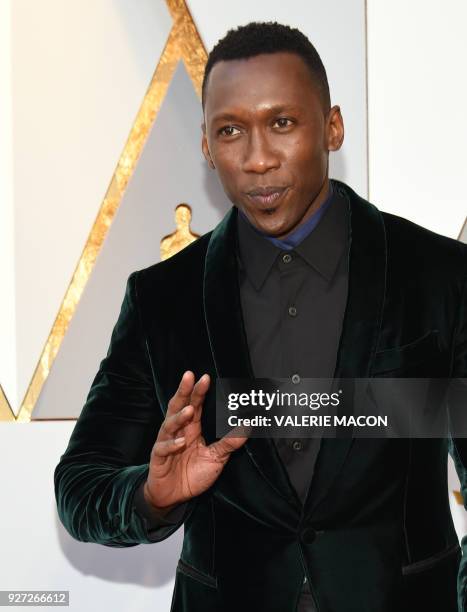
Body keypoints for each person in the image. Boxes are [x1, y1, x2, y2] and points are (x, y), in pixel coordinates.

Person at [54, 21, 467, 612]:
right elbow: (80, 486)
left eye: (282, 123)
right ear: (205, 146)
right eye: (230, 131)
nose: (257, 159)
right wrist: (152, 495)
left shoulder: (441, 275)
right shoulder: (162, 298)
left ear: (332, 127)